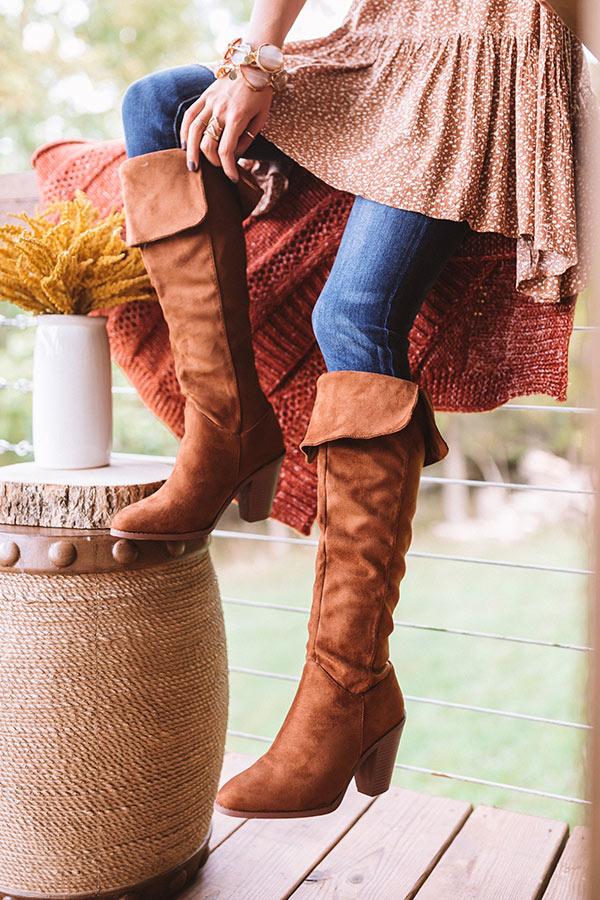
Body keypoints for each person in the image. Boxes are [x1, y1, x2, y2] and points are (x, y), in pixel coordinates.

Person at [110, 0, 592, 818]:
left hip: (480, 56)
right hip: (381, 46)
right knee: (160, 107)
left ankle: (345, 690)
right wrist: (254, 60)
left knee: (352, 317)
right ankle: (227, 433)